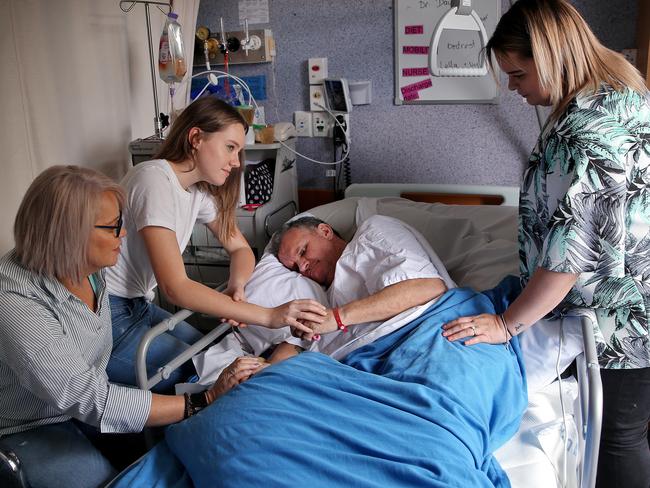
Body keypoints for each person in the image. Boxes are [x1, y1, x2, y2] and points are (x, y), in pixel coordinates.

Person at [440, 2, 650, 487]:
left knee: (618, 437)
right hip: (630, 295)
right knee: (627, 433)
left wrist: (506, 324)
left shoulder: (583, 132)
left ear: (551, 55)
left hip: (623, 315)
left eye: (517, 73)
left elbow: (568, 257)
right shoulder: (621, 94)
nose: (514, 88)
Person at [0, 166, 268, 488]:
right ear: (72, 235)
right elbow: (87, 397)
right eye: (114, 227)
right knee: (112, 481)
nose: (123, 235)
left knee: (167, 453)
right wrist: (203, 399)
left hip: (81, 406)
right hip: (29, 424)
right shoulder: (14, 300)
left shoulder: (88, 269)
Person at [105, 97, 325, 392]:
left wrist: (237, 285)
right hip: (107, 313)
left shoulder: (197, 192)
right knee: (201, 377)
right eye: (230, 148)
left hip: (137, 306)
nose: (236, 163)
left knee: (212, 357)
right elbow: (175, 288)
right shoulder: (154, 181)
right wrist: (269, 316)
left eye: (239, 151)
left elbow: (240, 249)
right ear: (196, 138)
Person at [267, 215, 454, 362]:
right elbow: (300, 346)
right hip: (365, 365)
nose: (302, 267)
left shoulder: (372, 232)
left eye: (302, 251)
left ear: (325, 231)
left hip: (429, 336)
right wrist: (266, 368)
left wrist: (339, 317)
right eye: (293, 267)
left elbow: (428, 287)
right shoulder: (324, 298)